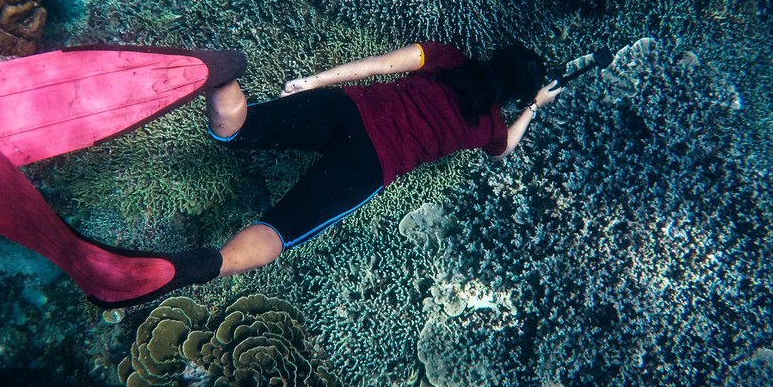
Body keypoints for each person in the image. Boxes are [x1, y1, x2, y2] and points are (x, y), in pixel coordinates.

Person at [195, 41, 564, 288]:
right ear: (513, 96)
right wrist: (533, 107)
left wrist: (314, 81)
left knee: (238, 130)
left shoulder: (447, 57)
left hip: (346, 108)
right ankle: (206, 266)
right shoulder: (491, 127)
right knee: (280, 230)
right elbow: (502, 152)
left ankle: (222, 77)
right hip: (369, 163)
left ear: (495, 56)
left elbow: (376, 66)